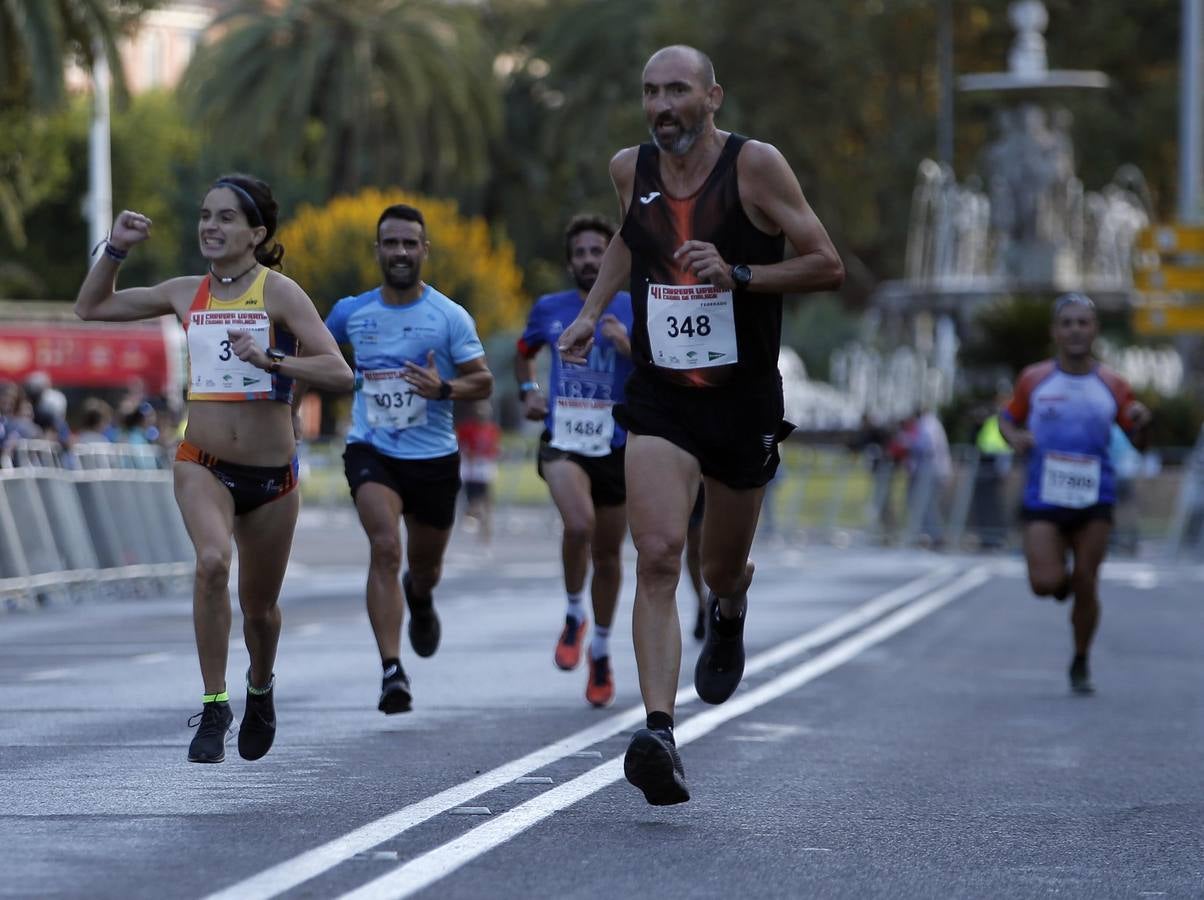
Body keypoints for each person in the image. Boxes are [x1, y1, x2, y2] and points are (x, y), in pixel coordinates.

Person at [558, 45, 843, 804]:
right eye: (651, 91)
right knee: (656, 553)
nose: (663, 105)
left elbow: (826, 263)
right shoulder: (632, 169)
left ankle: (730, 606)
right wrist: (591, 314)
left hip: (742, 399)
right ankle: (658, 730)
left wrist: (741, 274)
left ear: (713, 96)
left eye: (677, 90)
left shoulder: (756, 168)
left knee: (717, 566)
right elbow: (628, 239)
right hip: (661, 397)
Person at [74, 174, 354, 763]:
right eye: (205, 215)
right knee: (210, 562)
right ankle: (214, 703)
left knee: (260, 609)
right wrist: (116, 248)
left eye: (225, 218)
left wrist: (272, 358)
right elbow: (91, 306)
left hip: (272, 478)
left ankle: (260, 688)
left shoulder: (281, 295)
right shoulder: (184, 293)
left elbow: (339, 372)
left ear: (255, 233)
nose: (210, 226)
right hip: (201, 461)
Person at [325, 204, 493, 715]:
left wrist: (443, 387)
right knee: (384, 547)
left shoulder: (449, 316)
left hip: (434, 458)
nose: (400, 252)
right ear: (377, 250)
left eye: (409, 243)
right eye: (390, 243)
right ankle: (392, 670)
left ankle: (419, 598)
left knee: (423, 568)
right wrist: (290, 410)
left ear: (424, 250)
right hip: (372, 448)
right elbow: (316, 357)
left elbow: (482, 380)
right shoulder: (351, 313)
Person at [998, 293, 1150, 694]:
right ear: (1055, 332)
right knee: (1045, 583)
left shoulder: (1113, 383)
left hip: (1094, 497)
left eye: (1083, 322)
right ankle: (1061, 582)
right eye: (1068, 323)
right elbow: (1007, 418)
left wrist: (1138, 420)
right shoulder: (1035, 378)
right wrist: (1016, 438)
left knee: (1087, 580)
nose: (1076, 330)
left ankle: (1080, 660)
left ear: (1094, 330)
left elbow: (1135, 430)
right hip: (1044, 496)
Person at [516, 213, 635, 708]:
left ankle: (602, 650)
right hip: (563, 437)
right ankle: (572, 614)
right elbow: (522, 352)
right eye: (581, 253)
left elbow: (668, 367)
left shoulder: (634, 307)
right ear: (570, 262)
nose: (589, 260)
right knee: (579, 525)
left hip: (618, 443)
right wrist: (529, 390)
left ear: (613, 258)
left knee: (609, 556)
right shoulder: (551, 308)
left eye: (598, 252)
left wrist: (628, 347)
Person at [456, 400, 501, 542]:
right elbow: (461, 447)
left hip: (485, 468)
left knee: (487, 501)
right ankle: (472, 516)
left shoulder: (492, 429)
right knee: (473, 501)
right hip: (471, 470)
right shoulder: (466, 429)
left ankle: (486, 532)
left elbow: (494, 448)